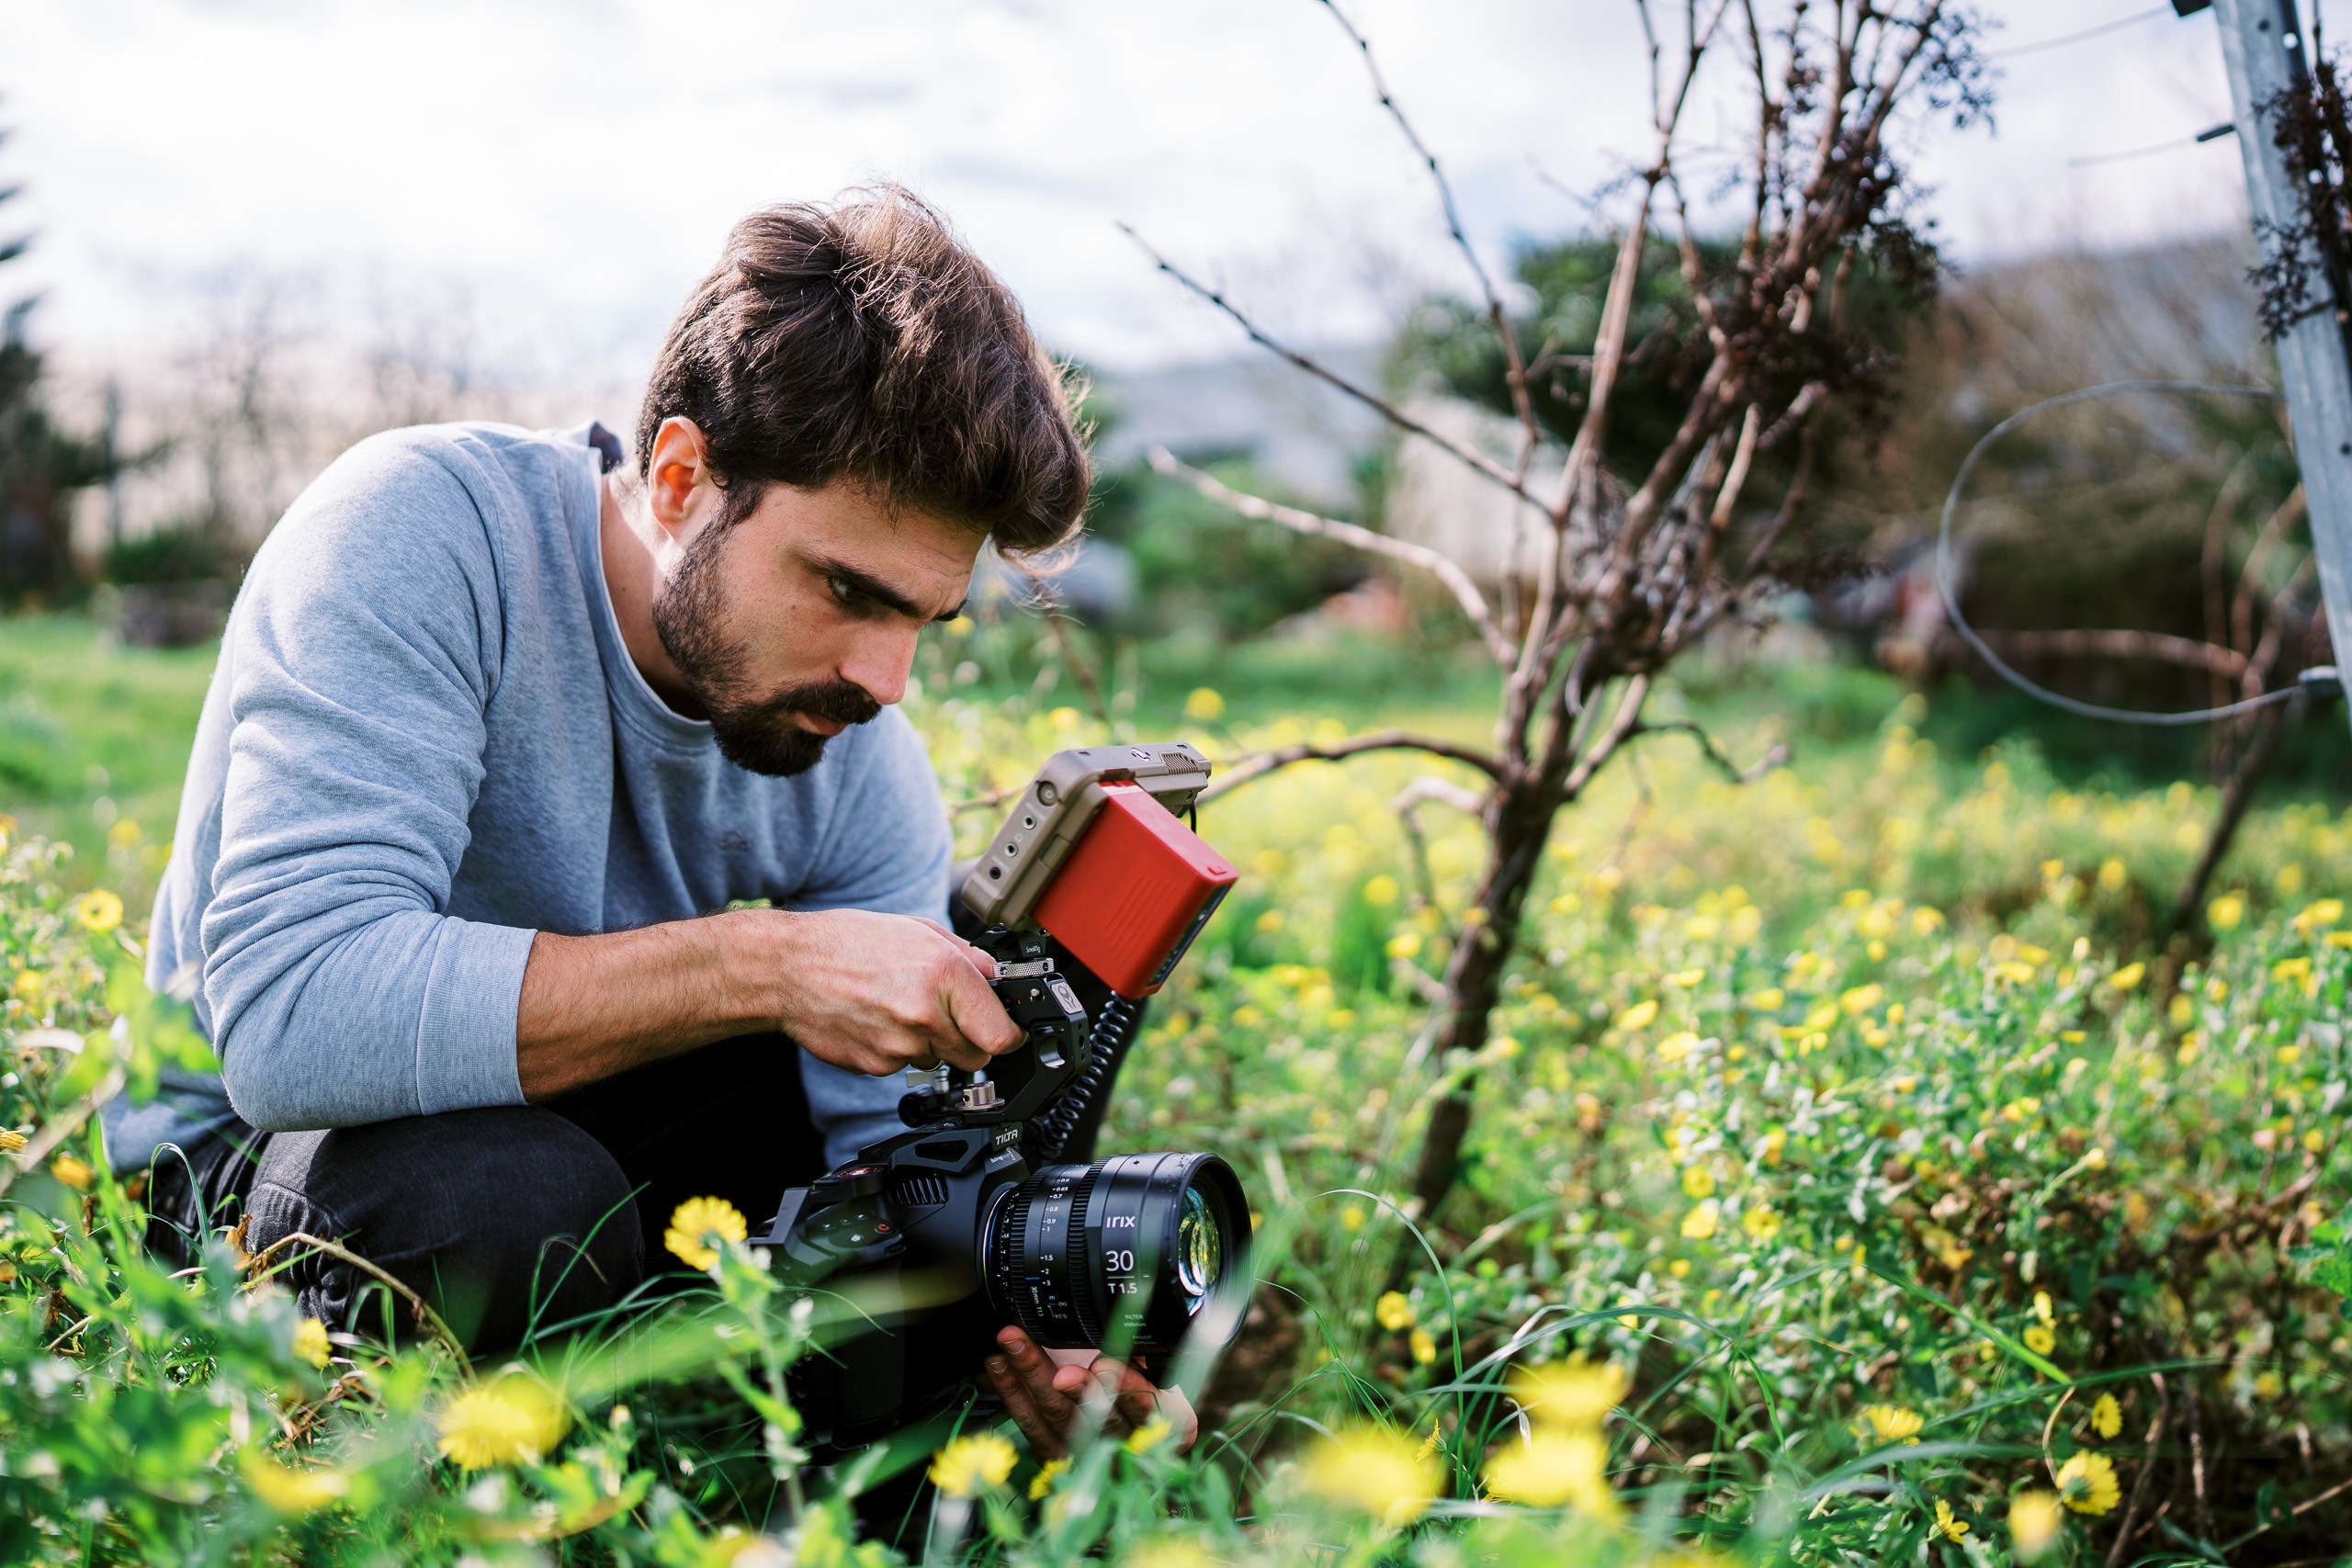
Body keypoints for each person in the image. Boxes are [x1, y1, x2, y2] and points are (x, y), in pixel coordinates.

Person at [120, 186, 1186, 1458]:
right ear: (681, 478)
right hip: (256, 1160)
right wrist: (770, 964)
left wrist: (1031, 1330)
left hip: (582, 1134)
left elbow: (893, 1164)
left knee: (895, 1207)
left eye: (922, 620)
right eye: (844, 588)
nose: (887, 679)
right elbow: (295, 1022)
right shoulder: (421, 532)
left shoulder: (853, 744)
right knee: (507, 1197)